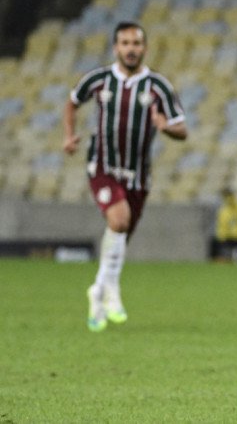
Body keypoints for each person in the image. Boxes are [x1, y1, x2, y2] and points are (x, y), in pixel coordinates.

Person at [62, 21, 187, 332]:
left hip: (138, 176)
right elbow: (72, 101)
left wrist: (165, 126)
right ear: (116, 47)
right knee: (118, 221)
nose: (131, 49)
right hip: (103, 166)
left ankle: (98, 290)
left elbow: (182, 129)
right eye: (125, 43)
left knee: (119, 238)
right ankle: (112, 292)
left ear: (144, 48)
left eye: (136, 43)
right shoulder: (100, 79)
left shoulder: (158, 86)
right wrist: (69, 135)